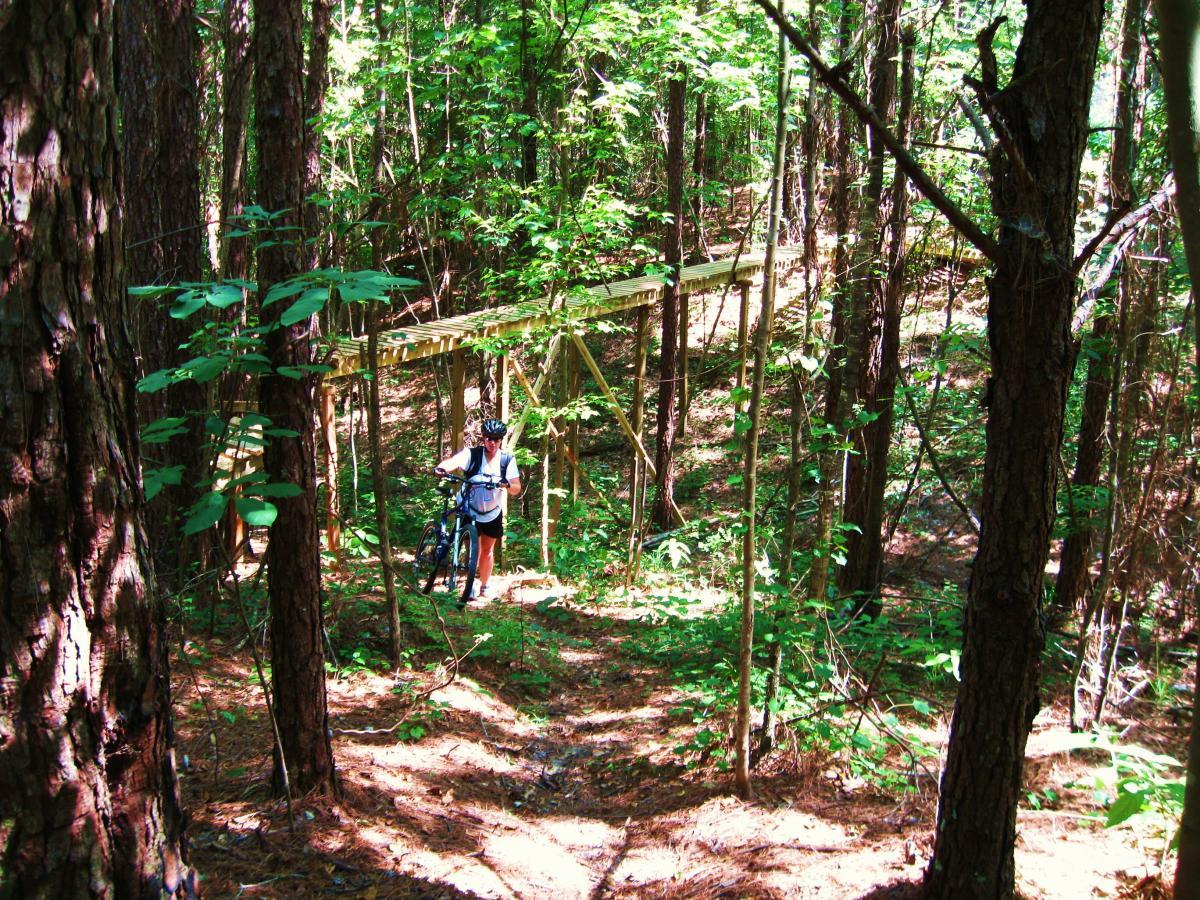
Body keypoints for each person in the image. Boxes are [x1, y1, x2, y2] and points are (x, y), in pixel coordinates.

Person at [433, 418, 521, 602]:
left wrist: (506, 485)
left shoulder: (506, 460)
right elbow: (454, 462)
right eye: (489, 439)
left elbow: (516, 488)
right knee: (472, 548)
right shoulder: (472, 454)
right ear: (483, 438)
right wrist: (442, 468)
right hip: (469, 508)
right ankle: (470, 585)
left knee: (487, 550)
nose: (493, 443)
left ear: (501, 440)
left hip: (492, 512)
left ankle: (485, 586)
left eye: (497, 440)